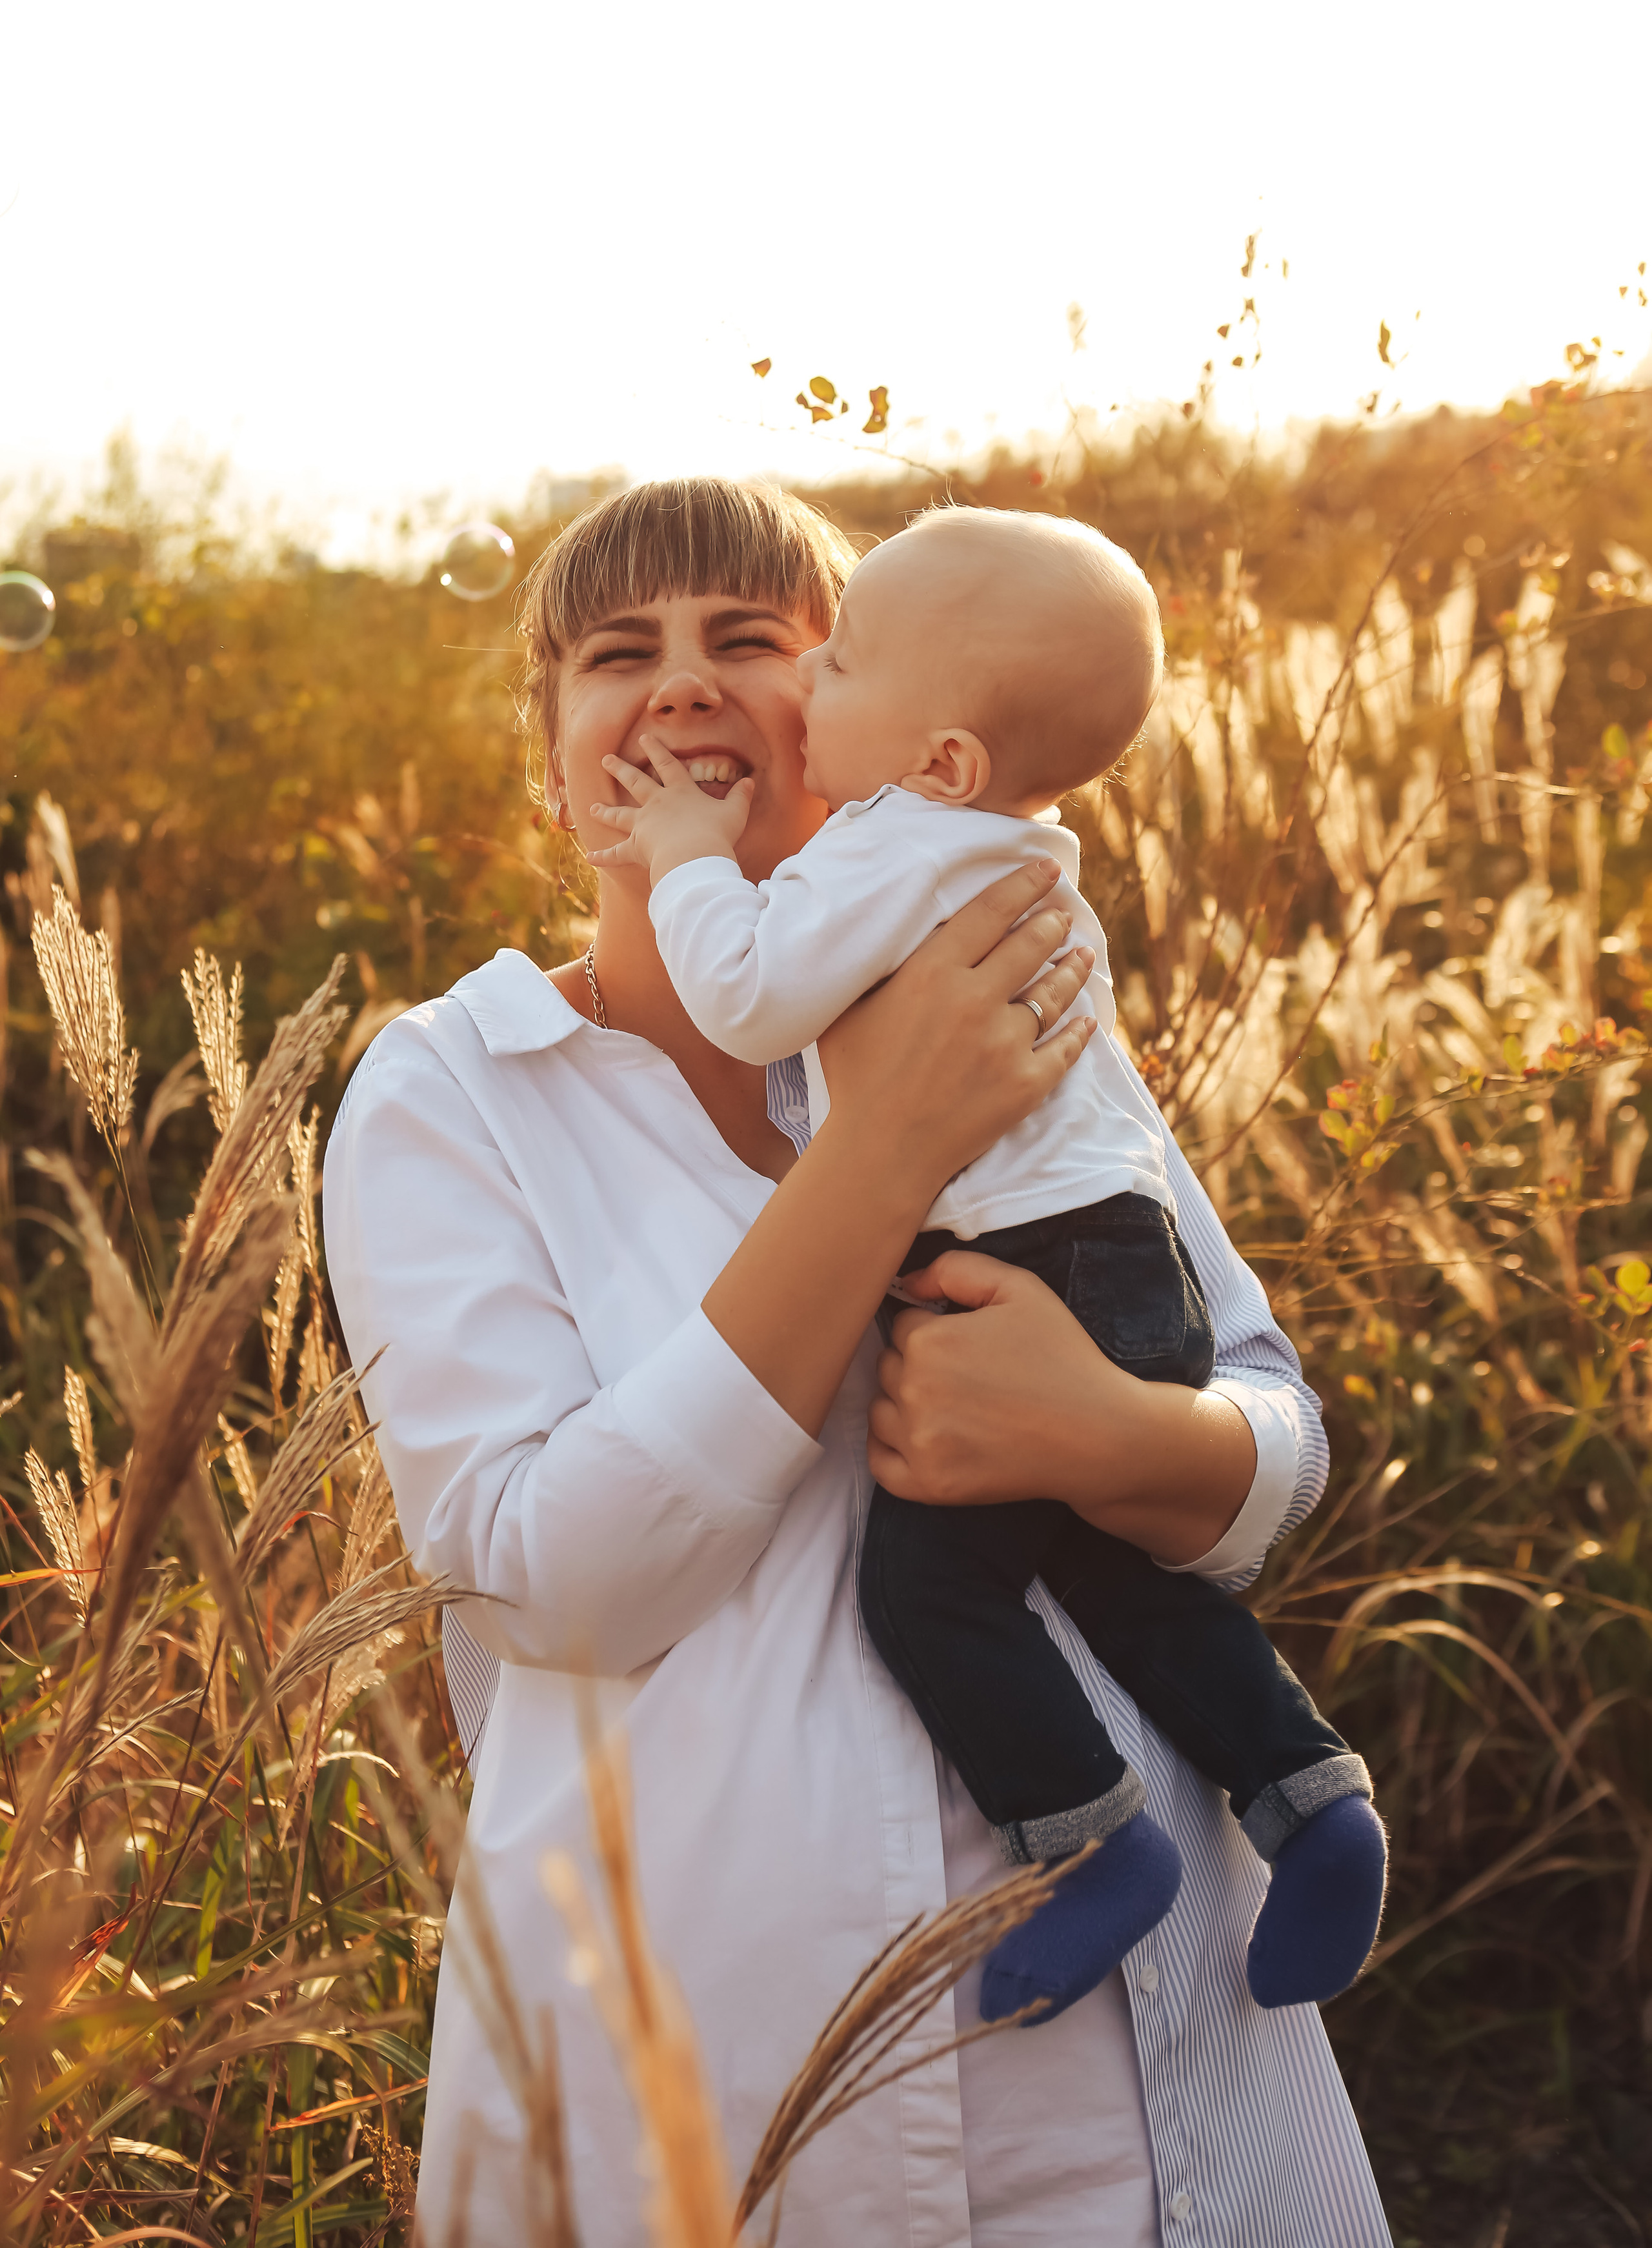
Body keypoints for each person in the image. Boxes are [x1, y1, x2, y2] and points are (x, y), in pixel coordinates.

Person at [322, 478, 1390, 2245]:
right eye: (617, 654)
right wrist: (882, 1153)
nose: (682, 683)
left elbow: (1272, 1446)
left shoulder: (999, 974)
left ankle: (1274, 1808)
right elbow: (547, 1585)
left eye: (751, 639)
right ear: (554, 763)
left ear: (872, 736)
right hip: (723, 2070)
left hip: (1145, 2061)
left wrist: (1109, 1432)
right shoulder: (458, 1088)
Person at [585, 505, 1385, 2031]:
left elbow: (748, 998)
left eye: (820, 653)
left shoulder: (898, 846)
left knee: (928, 1591)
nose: (796, 683)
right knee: (1110, 1571)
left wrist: (686, 852)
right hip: (1113, 1257)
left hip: (1035, 1262)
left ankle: (1090, 1844)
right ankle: (1306, 1793)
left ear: (940, 759)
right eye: (621, 656)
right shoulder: (981, 857)